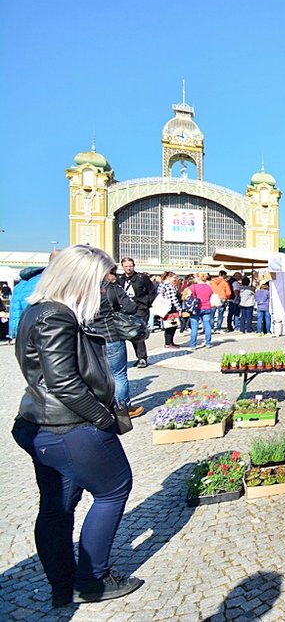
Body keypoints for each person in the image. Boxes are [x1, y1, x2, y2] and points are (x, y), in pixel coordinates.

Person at [11, 245, 144, 608]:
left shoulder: (42, 310)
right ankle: (91, 579)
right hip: (69, 424)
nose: (103, 290)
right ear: (80, 279)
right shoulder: (55, 315)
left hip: (47, 424)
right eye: (99, 282)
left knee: (58, 506)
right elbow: (65, 383)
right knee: (113, 490)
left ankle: (63, 584)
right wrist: (104, 420)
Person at [88, 268, 144, 418]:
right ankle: (123, 409)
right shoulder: (112, 289)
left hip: (91, 338)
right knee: (118, 374)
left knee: (99, 375)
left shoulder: (83, 291)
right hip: (111, 335)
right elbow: (132, 308)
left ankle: (102, 407)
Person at [9, 252, 59, 340]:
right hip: (44, 332)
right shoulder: (51, 281)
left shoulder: (22, 284)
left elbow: (15, 310)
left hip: (22, 332)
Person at [116, 258, 154, 368]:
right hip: (126, 309)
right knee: (129, 334)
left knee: (138, 332)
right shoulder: (120, 279)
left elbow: (151, 291)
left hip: (140, 308)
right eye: (126, 266)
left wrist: (147, 303)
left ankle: (142, 358)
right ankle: (135, 357)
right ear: (123, 266)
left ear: (134, 266)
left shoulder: (142, 278)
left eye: (130, 266)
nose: (129, 268)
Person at [186, 272, 214, 350]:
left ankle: (193, 345)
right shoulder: (209, 287)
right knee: (207, 326)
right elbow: (211, 296)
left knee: (194, 327)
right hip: (207, 308)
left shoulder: (193, 286)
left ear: (198, 278)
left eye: (195, 277)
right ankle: (208, 343)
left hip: (196, 308)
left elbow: (187, 296)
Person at [158, 271, 182, 349]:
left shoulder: (161, 284)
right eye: (174, 277)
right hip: (170, 308)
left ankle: (169, 342)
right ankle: (168, 342)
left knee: (170, 325)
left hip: (164, 307)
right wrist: (179, 308)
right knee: (171, 325)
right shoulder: (168, 286)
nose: (175, 279)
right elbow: (173, 299)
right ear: (169, 277)